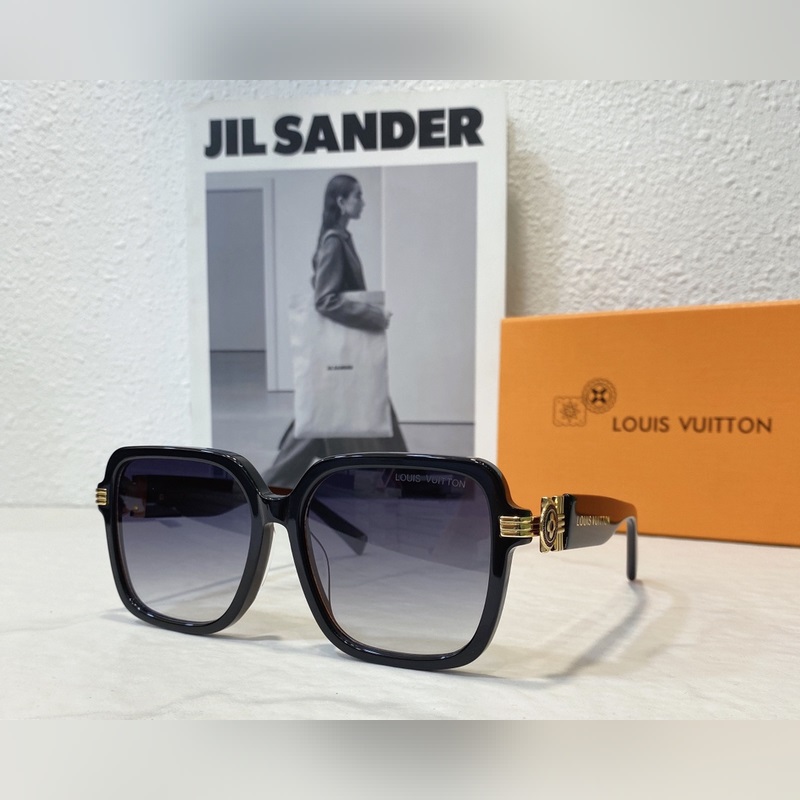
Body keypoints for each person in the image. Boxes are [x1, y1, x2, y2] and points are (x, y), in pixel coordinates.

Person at [262, 174, 407, 490]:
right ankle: (406, 479)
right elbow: (325, 299)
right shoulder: (334, 242)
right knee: (336, 418)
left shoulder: (340, 239)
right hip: (347, 353)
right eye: (358, 196)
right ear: (341, 202)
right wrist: (373, 316)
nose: (363, 202)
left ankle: (404, 478)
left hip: (345, 355)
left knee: (329, 417)